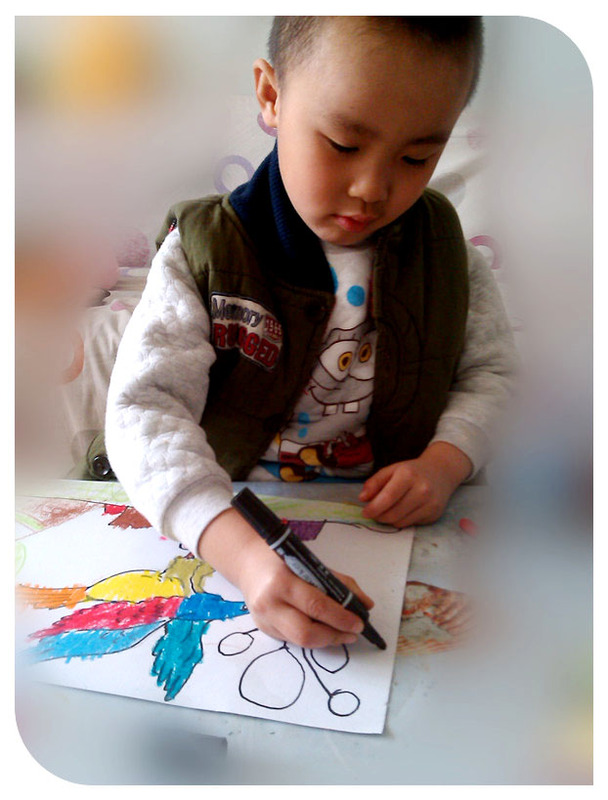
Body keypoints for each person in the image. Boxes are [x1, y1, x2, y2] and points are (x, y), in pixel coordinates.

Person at [106, 16, 517, 649]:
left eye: (416, 157)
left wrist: (445, 462)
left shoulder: (446, 254)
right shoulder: (204, 252)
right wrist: (243, 558)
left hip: (398, 527)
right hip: (230, 520)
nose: (372, 188)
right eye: (344, 145)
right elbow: (144, 412)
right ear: (271, 97)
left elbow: (492, 374)